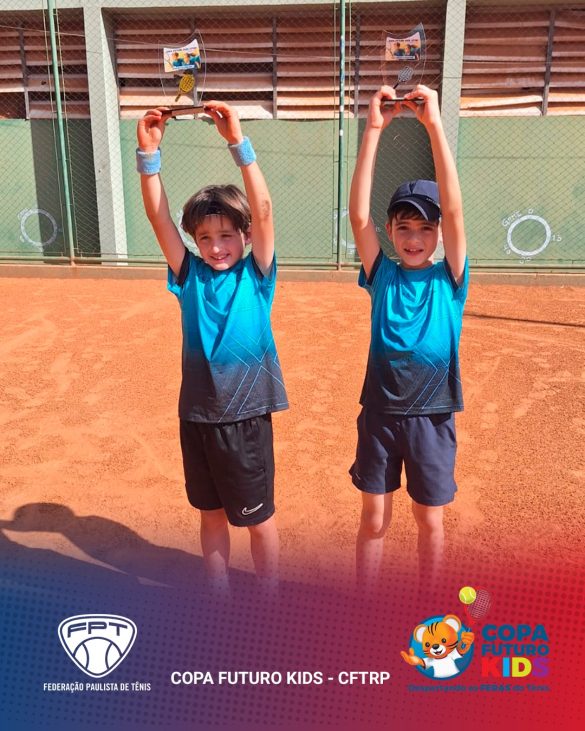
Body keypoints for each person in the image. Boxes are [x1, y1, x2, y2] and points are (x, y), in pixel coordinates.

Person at [136, 101, 288, 599]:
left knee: (259, 519)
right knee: (210, 514)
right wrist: (148, 155)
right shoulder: (189, 276)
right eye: (205, 238)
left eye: (226, 235)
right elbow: (159, 220)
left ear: (245, 236)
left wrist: (238, 143)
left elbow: (263, 210)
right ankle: (217, 593)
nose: (216, 246)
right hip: (199, 416)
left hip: (246, 419)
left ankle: (269, 593)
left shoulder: (256, 275)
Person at [348, 84, 468, 595]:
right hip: (380, 413)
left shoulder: (450, 278)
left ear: (438, 233)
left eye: (425, 228)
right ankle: (366, 604)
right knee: (374, 519)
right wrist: (373, 129)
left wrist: (434, 124)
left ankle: (427, 604)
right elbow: (359, 216)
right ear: (391, 231)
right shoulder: (383, 275)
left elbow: (455, 211)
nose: (414, 238)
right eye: (404, 227)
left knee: (429, 520)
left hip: (432, 417)